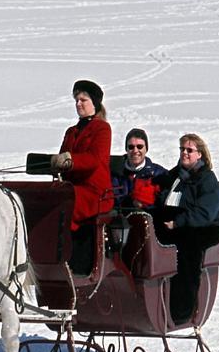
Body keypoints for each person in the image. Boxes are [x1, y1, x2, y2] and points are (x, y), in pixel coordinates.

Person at [153, 133, 219, 324]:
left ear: (199, 154)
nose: (184, 153)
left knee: (187, 250)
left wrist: (178, 223)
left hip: (201, 227)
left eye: (189, 150)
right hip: (175, 223)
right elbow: (164, 198)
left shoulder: (206, 179)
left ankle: (182, 309)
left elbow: (205, 212)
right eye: (182, 149)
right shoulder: (175, 176)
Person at [50, 79, 114, 275]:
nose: (78, 104)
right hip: (73, 188)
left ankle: (67, 254)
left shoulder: (102, 129)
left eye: (83, 100)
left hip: (96, 192)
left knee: (67, 203)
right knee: (50, 197)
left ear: (94, 103)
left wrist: (70, 160)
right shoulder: (71, 131)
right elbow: (63, 156)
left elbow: (95, 159)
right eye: (76, 100)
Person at [111, 128, 166, 209]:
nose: (135, 150)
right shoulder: (114, 172)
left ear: (146, 149)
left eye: (139, 147)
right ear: (126, 149)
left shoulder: (158, 173)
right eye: (131, 147)